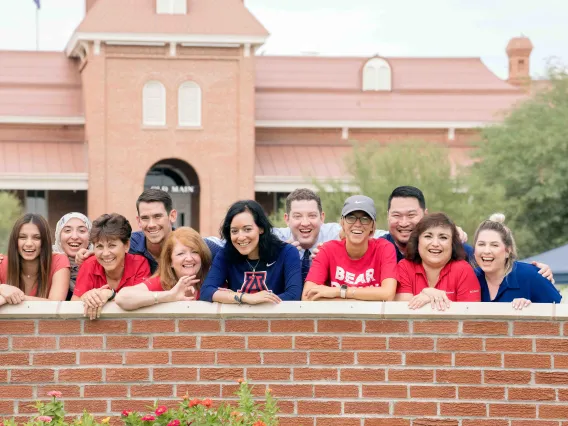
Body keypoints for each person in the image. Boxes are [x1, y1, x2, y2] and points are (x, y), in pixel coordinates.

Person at [384, 186, 555, 280]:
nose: (404, 223)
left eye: (411, 215)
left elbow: (494, 265)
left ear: (425, 215)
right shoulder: (379, 248)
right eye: (397, 215)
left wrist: (536, 273)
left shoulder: (455, 248)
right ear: (387, 216)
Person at [76, 189, 220, 273]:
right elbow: (107, 250)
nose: (151, 224)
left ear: (172, 216)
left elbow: (231, 255)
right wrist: (89, 254)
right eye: (145, 218)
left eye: (157, 216)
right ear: (138, 220)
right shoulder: (129, 243)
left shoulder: (196, 246)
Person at [199, 200, 302, 304]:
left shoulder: (287, 252)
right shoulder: (225, 255)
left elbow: (293, 295)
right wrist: (245, 297)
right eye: (234, 231)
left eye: (247, 229)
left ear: (261, 228)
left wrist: (256, 302)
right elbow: (206, 291)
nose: (241, 237)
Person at [302, 195, 397, 301]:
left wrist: (338, 292)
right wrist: (367, 298)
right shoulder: (327, 250)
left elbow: (388, 294)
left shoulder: (384, 248)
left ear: (372, 226)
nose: (357, 224)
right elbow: (306, 297)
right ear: (342, 222)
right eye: (351, 218)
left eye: (365, 219)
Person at [473, 214, 561, 309]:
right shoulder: (470, 277)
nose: (486, 251)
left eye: (494, 245)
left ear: (507, 251)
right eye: (481, 244)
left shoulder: (531, 275)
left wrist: (531, 309)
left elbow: (560, 314)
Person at [395, 213, 480, 310]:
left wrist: (430, 297)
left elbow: (469, 317)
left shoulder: (464, 270)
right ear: (417, 241)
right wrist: (428, 292)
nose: (435, 244)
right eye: (428, 236)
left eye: (443, 237)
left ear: (452, 244)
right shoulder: (404, 267)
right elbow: (403, 313)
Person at [72, 213, 150, 319]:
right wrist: (86, 297)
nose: (105, 253)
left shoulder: (139, 264)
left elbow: (142, 300)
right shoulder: (89, 264)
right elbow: (74, 303)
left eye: (112, 245)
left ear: (126, 246)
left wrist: (110, 294)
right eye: (99, 246)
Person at [115, 227, 212, 310]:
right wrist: (170, 295)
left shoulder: (213, 280)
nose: (189, 258)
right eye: (181, 254)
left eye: (195, 251)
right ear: (170, 262)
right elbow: (122, 298)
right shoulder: (162, 282)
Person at [0, 214, 70, 306]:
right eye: (22, 237)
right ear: (15, 241)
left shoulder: (59, 261)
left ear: (45, 241)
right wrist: (2, 288)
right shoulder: (2, 263)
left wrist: (15, 296)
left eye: (36, 238)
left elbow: (56, 304)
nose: (29, 243)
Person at [52, 212, 93, 300]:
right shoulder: (47, 263)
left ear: (90, 237)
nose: (74, 236)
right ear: (59, 235)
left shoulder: (101, 263)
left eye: (82, 231)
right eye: (67, 230)